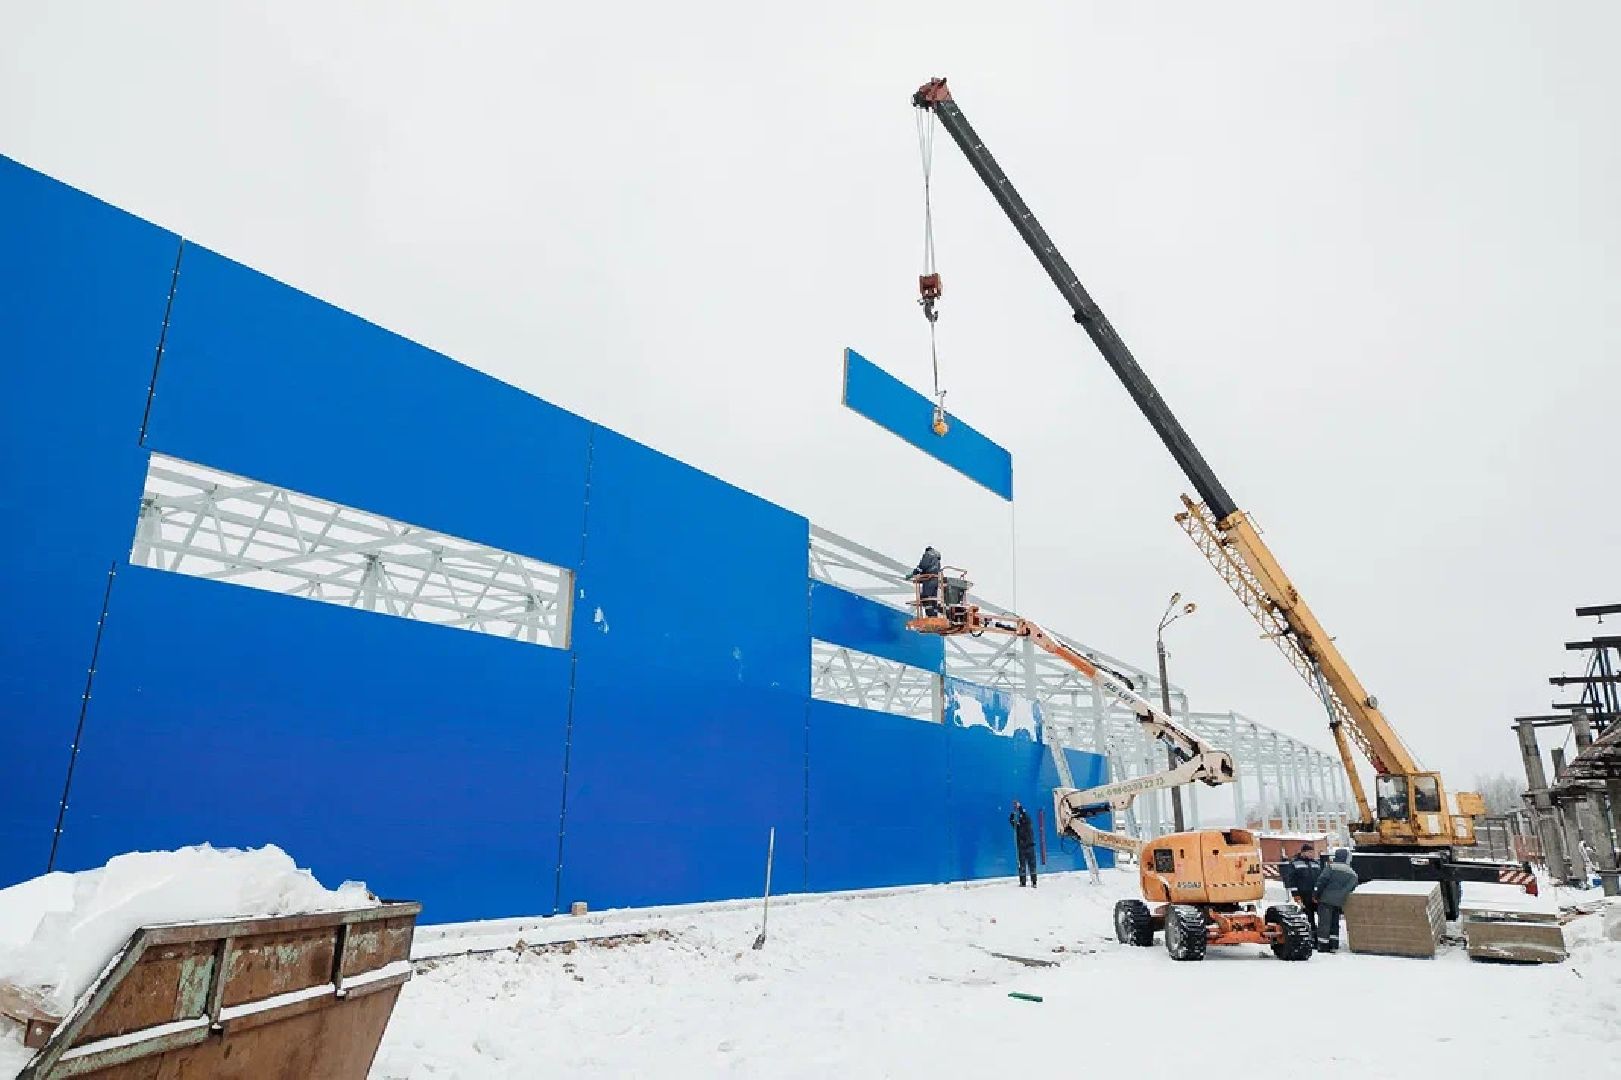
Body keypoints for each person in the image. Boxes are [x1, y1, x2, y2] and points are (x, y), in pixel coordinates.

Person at [1313, 848, 1359, 951]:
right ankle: (1334, 945)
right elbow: (1352, 887)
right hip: (1339, 902)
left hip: (1326, 900)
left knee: (1324, 923)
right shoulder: (1352, 873)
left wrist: (1316, 895)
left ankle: (1323, 945)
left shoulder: (1331, 867)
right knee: (1334, 923)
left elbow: (1322, 881)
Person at [1286, 843, 1322, 938]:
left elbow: (1320, 878)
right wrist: (1295, 895)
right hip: (1303, 894)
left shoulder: (1316, 864)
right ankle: (1311, 935)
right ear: (1303, 852)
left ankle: (1320, 935)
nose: (1311, 854)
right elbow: (1291, 880)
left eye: (1312, 852)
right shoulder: (1295, 863)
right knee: (1308, 916)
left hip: (1315, 894)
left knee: (1321, 914)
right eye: (1309, 852)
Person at [908, 545, 942, 616]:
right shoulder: (937, 558)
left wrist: (914, 573)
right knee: (933, 599)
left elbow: (922, 566)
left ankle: (930, 616)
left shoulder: (928, 554)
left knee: (926, 597)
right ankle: (934, 615)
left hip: (928, 578)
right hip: (935, 579)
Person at [1009, 801, 1037, 888]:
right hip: (1021, 848)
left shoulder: (1028, 824)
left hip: (1029, 846)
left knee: (1032, 865)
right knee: (1022, 866)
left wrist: (1019, 807)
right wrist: (1013, 814)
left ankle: (1034, 882)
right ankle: (1023, 882)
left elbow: (1025, 816)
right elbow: (1012, 822)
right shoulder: (1018, 827)